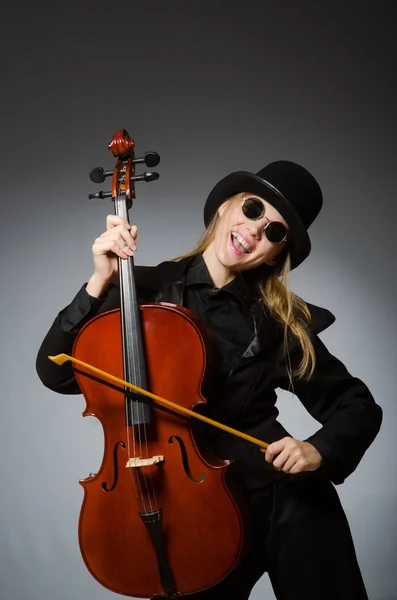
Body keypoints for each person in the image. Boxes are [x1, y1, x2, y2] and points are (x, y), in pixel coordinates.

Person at [36, 160, 382, 600]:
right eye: (254, 210)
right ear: (225, 207)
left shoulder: (278, 323)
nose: (256, 232)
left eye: (276, 233)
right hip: (188, 512)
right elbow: (55, 371)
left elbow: (356, 404)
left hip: (284, 503)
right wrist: (99, 281)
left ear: (277, 253)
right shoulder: (138, 293)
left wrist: (318, 448)